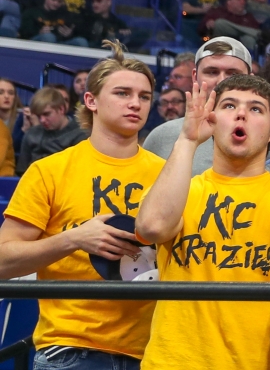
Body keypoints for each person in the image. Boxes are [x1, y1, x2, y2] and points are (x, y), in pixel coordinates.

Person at [135, 74, 270, 370]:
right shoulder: (180, 191)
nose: (241, 114)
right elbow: (151, 228)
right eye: (229, 105)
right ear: (212, 120)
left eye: (256, 108)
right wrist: (188, 139)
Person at [0, 42, 162, 369]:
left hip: (151, 351)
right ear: (91, 101)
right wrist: (73, 239)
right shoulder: (50, 170)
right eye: (122, 93)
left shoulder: (167, 174)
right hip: (71, 349)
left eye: (144, 96)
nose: (135, 103)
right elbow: (3, 261)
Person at [143, 37, 270, 176]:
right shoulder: (161, 138)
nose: (221, 81)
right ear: (194, 77)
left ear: (250, 79)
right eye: (212, 72)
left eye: (233, 74)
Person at [17, 86, 85, 171]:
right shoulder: (31, 134)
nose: (42, 120)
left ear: (61, 109)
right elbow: (22, 171)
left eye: (46, 114)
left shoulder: (80, 134)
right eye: (39, 116)